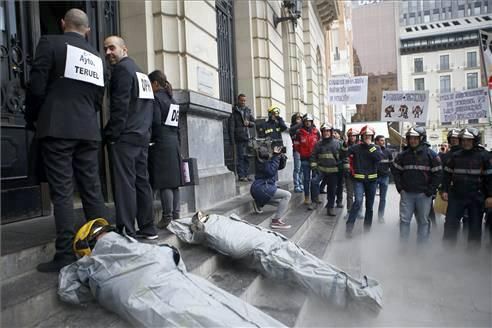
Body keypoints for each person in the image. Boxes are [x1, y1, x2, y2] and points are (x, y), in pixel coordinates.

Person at [61, 219, 283, 327]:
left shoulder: (119, 248)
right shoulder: (93, 262)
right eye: (101, 234)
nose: (106, 235)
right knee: (208, 315)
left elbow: (166, 254)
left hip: (164, 276)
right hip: (154, 284)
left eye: (106, 232)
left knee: (222, 309)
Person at [24, 8, 107, 272]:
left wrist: (35, 117)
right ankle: (104, 247)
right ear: (88, 30)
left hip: (57, 126)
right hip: (88, 129)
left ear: (62, 24)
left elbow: (36, 88)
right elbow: (98, 98)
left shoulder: (50, 42)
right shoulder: (96, 57)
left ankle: (64, 253)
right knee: (92, 190)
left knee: (62, 192)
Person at [103, 36, 157, 240]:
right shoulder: (141, 73)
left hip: (125, 137)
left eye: (112, 48)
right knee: (142, 182)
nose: (108, 53)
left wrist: (111, 134)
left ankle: (126, 229)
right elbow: (147, 107)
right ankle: (148, 227)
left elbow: (120, 107)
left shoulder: (122, 71)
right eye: (105, 49)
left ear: (124, 49)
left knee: (124, 183)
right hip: (142, 136)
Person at [441, 128, 492, 246]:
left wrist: (490, 196)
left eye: (469, 140)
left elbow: (489, 178)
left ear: (475, 141)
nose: (465, 143)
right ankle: (447, 252)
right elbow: (447, 175)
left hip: (476, 197)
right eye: (463, 140)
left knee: (474, 226)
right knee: (450, 224)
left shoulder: (484, 156)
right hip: (457, 196)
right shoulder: (455, 156)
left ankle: (472, 256)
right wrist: (444, 190)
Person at [391, 127, 442, 243]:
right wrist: (400, 188)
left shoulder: (431, 155)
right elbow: (396, 172)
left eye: (415, 138)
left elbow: (438, 174)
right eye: (410, 138)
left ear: (421, 138)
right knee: (404, 221)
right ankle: (403, 248)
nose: (412, 141)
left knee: (423, 221)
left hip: (424, 195)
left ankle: (421, 249)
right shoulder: (402, 155)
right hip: (407, 194)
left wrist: (430, 190)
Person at [148, 70, 182, 229]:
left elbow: (154, 122)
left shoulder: (156, 99)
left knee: (164, 183)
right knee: (174, 182)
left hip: (161, 143)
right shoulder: (173, 100)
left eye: (150, 84)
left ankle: (167, 217)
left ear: (155, 83)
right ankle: (176, 215)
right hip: (173, 142)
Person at [345, 125, 383, 237]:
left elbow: (378, 158)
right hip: (359, 180)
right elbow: (344, 153)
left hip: (371, 181)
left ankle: (367, 230)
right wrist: (344, 144)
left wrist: (370, 146)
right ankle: (349, 227)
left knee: (369, 206)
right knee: (358, 202)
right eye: (365, 135)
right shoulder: (356, 148)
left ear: (372, 137)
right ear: (361, 136)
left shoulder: (376, 148)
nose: (367, 137)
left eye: (369, 136)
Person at [250, 145, 292, 230]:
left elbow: (278, 167)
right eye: (268, 151)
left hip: (261, 188)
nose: (270, 152)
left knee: (281, 203)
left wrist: (281, 157)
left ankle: (259, 202)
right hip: (261, 187)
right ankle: (276, 221)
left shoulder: (265, 161)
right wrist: (276, 156)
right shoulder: (262, 162)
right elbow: (271, 171)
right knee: (287, 195)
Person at [309, 123, 340, 215]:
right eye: (324, 131)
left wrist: (343, 168)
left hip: (333, 170)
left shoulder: (337, 144)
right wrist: (314, 166)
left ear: (331, 132)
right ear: (322, 132)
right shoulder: (318, 144)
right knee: (314, 182)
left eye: (328, 131)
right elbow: (313, 156)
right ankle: (314, 201)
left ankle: (330, 207)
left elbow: (343, 157)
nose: (326, 133)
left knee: (332, 189)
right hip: (321, 169)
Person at [230, 94, 255, 182]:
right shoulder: (234, 111)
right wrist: (232, 140)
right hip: (239, 137)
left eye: (244, 100)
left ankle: (247, 174)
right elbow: (232, 126)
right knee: (240, 157)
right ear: (238, 100)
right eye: (241, 100)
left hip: (247, 137)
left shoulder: (247, 111)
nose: (243, 102)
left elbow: (253, 122)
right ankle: (241, 175)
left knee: (247, 157)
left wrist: (249, 123)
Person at [296, 114, 321, 205]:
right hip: (305, 159)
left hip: (315, 159)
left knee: (315, 179)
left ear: (312, 122)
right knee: (306, 179)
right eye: (306, 121)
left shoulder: (316, 132)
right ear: (304, 122)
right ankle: (307, 197)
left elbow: (319, 144)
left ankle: (316, 196)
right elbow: (296, 145)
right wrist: (303, 152)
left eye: (309, 121)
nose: (308, 123)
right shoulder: (299, 132)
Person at [375, 135, 393, 223]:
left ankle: (380, 216)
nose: (383, 142)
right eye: (381, 140)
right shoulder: (373, 150)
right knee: (370, 197)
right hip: (374, 177)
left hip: (384, 177)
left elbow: (391, 163)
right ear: (376, 141)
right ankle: (369, 214)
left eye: (384, 140)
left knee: (383, 198)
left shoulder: (388, 151)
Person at [343, 127, 360, 212]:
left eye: (354, 136)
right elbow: (343, 157)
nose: (352, 137)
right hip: (348, 173)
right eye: (350, 136)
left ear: (357, 136)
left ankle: (358, 211)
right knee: (349, 194)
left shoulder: (361, 146)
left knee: (358, 194)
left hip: (359, 173)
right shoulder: (345, 146)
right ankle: (349, 211)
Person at [289, 112, 304, 193]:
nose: (300, 120)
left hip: (303, 150)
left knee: (301, 169)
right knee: (297, 168)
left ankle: (301, 183)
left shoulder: (302, 127)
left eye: (301, 118)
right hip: (296, 150)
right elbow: (292, 131)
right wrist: (301, 124)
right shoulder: (293, 128)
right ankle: (296, 185)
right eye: (298, 118)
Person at [333, 128, 345, 208]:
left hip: (340, 167)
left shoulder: (342, 143)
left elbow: (344, 155)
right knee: (332, 185)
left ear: (339, 135)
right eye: (333, 133)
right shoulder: (329, 143)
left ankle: (339, 201)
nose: (334, 134)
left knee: (340, 185)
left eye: (336, 133)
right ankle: (331, 200)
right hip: (331, 167)